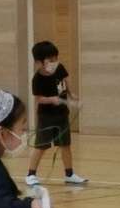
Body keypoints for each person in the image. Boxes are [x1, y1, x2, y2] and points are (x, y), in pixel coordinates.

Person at [26, 40, 87, 186]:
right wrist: (51, 99)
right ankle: (31, 174)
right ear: (39, 62)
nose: (54, 63)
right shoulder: (37, 79)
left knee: (65, 145)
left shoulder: (59, 68)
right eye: (50, 60)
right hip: (46, 117)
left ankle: (69, 174)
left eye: (55, 59)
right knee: (41, 146)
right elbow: (39, 99)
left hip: (62, 114)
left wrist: (71, 93)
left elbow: (66, 78)